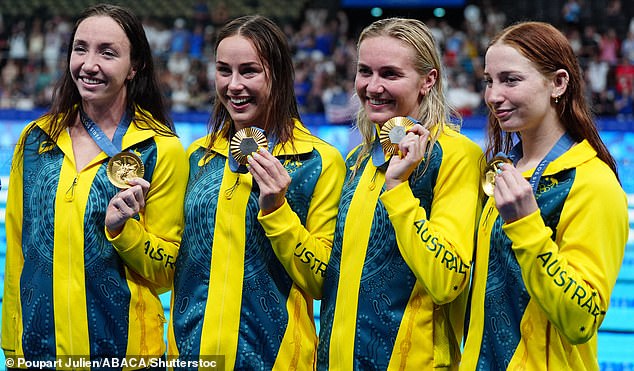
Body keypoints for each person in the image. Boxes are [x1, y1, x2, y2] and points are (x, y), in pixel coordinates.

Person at [1, 3, 188, 368]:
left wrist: (124, 232)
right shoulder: (37, 139)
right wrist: (13, 348)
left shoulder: (160, 149)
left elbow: (168, 273)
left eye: (108, 52)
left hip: (126, 356)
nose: (88, 64)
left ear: (135, 66)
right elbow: (18, 251)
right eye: (80, 48)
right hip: (39, 352)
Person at [167, 15, 345, 370]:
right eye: (224, 70)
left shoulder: (318, 162)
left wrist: (278, 210)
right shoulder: (197, 157)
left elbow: (324, 281)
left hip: (278, 361)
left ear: (277, 75)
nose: (233, 85)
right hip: (189, 357)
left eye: (249, 71)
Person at [460, 21, 629, 370]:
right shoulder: (505, 171)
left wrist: (526, 226)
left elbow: (582, 319)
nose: (493, 96)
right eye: (489, 81)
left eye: (510, 80)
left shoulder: (592, 183)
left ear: (558, 83)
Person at [317, 18, 484, 370]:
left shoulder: (456, 156)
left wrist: (398, 190)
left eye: (390, 74)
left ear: (428, 80)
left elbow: (447, 280)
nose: (372, 87)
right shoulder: (358, 160)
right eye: (365, 72)